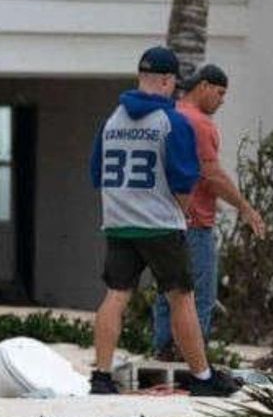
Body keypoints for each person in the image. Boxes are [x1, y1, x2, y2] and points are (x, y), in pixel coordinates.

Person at [88, 46, 238, 397]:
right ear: (169, 81)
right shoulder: (172, 122)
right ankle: (202, 377)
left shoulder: (111, 122)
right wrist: (179, 211)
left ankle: (101, 376)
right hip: (160, 224)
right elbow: (185, 181)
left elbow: (96, 174)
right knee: (181, 298)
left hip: (118, 223)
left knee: (115, 295)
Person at [150, 63, 268, 362]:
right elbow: (211, 174)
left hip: (161, 220)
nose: (222, 100)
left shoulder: (167, 116)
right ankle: (192, 357)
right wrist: (245, 207)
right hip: (194, 223)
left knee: (167, 293)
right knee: (199, 293)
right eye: (220, 92)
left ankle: (164, 350)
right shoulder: (198, 123)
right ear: (203, 86)